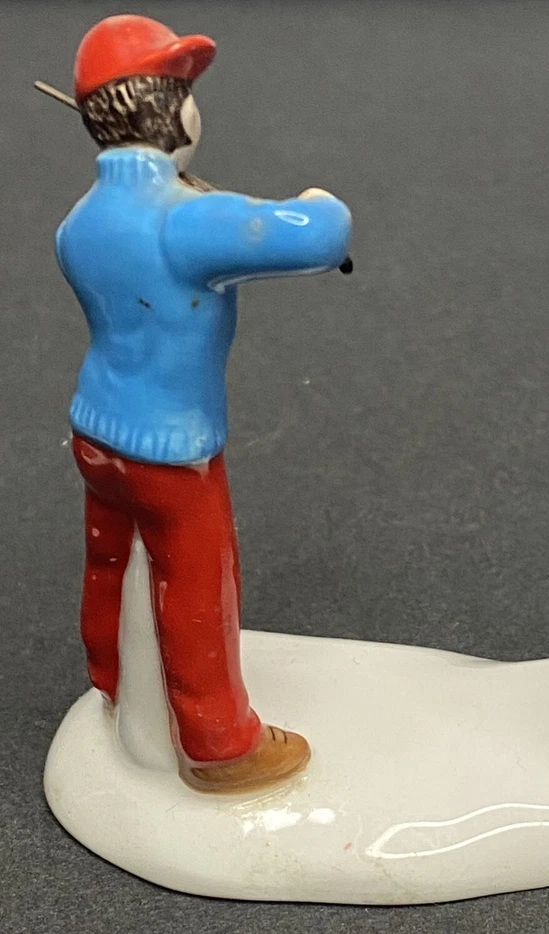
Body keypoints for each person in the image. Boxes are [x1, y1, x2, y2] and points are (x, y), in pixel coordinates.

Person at [56, 15, 353, 793]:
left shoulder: (79, 222)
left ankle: (114, 679)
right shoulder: (186, 220)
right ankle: (220, 746)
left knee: (110, 558)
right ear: (171, 112)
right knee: (195, 580)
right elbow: (315, 235)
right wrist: (319, 198)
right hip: (169, 444)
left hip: (96, 427)